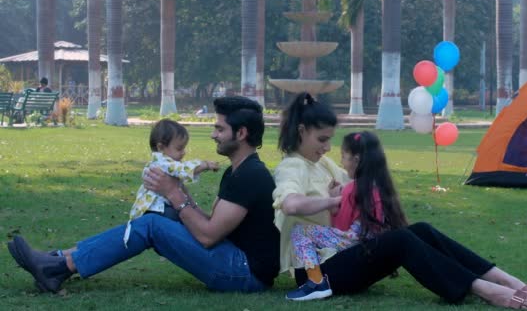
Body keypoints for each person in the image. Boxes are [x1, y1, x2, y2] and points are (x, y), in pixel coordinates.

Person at [273, 92, 527, 308]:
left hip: (342, 253)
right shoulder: (292, 167)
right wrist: (331, 202)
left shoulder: (323, 165)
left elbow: (356, 190)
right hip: (318, 270)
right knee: (401, 240)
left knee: (420, 230)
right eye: (321, 139)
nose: (327, 147)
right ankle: (484, 289)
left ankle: (503, 279)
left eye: (330, 140)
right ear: (301, 131)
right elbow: (291, 205)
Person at [7, 96, 280, 294]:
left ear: (241, 133)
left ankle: (57, 266)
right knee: (153, 220)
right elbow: (212, 225)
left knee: (151, 223)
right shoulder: (237, 171)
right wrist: (180, 193)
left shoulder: (251, 176)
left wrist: (173, 193)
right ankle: (56, 260)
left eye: (219, 129)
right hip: (233, 257)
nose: (213, 135)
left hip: (244, 273)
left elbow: (208, 236)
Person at [285, 131, 408, 301]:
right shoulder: (380, 186)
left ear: (356, 160)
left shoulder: (352, 189)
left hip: (353, 240)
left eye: (344, 156)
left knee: (300, 231)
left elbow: (341, 227)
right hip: (372, 240)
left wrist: (333, 203)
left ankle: (315, 282)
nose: (342, 163)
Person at [123, 119, 219, 247]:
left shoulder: (165, 162)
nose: (183, 152)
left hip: (161, 208)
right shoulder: (162, 162)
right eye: (179, 148)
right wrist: (205, 165)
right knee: (182, 221)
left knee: (185, 217)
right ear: (161, 147)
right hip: (156, 209)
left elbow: (181, 173)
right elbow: (183, 169)